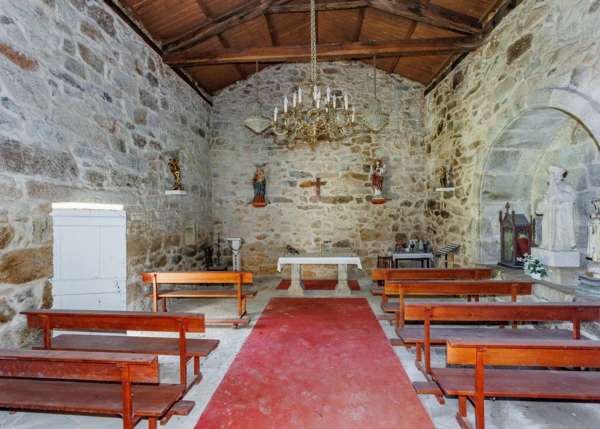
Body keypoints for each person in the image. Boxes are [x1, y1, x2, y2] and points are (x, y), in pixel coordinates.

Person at [535, 165, 576, 251]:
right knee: (547, 228)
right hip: (548, 214)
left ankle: (561, 245)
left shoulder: (567, 187)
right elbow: (540, 210)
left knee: (559, 230)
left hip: (560, 214)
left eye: (552, 175)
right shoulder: (549, 189)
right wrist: (544, 202)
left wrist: (557, 196)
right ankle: (546, 243)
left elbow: (571, 199)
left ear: (559, 176)